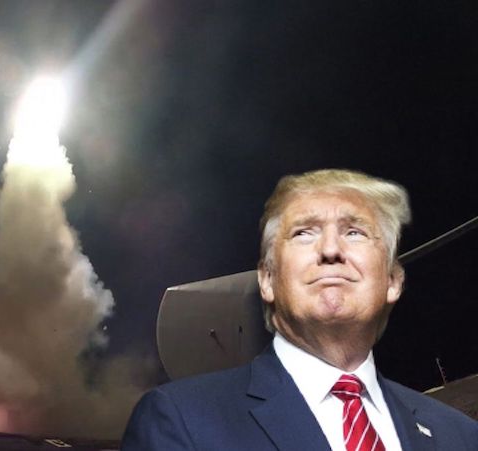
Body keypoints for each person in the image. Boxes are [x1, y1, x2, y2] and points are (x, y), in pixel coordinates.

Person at [122, 169, 478, 450]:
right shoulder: (181, 422)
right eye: (304, 233)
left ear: (393, 281)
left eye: (355, 232)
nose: (330, 250)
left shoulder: (459, 436)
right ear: (267, 280)